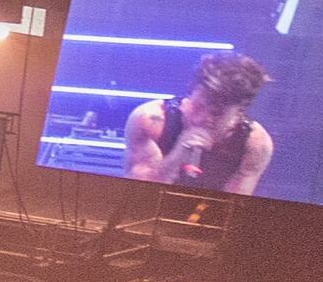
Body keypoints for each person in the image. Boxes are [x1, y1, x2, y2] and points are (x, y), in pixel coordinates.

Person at [116, 50, 273, 195]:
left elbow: (232, 209)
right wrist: (175, 158)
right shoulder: (151, 120)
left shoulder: (254, 144)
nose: (203, 118)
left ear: (239, 111)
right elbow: (137, 197)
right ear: (192, 92)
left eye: (217, 114)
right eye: (198, 106)